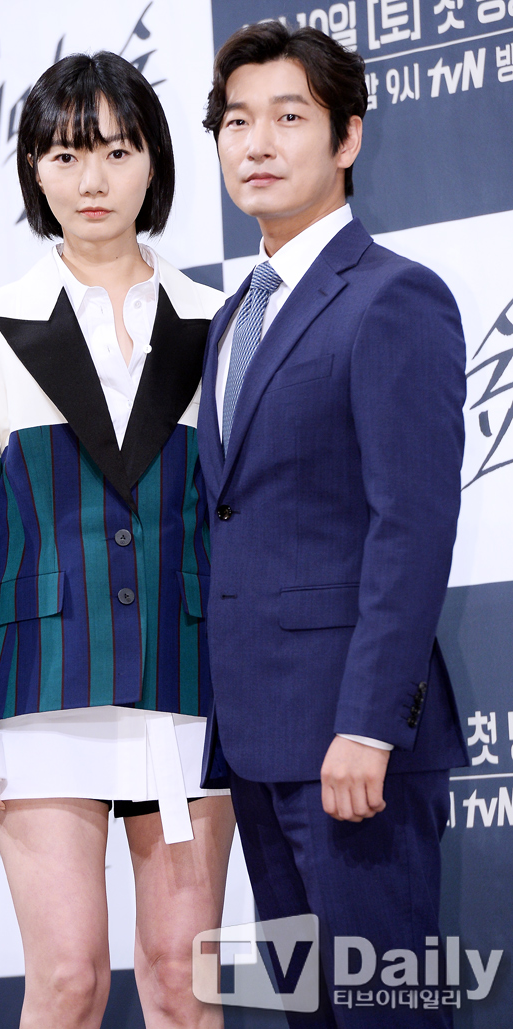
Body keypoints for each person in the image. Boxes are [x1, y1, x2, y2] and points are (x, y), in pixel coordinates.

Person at [0, 51, 235, 1029]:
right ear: (33, 170)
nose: (93, 180)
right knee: (69, 979)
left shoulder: (220, 326)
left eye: (118, 152)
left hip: (187, 684)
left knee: (183, 982)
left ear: (154, 161)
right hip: (40, 694)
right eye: (65, 154)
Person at [197, 22, 468, 1028]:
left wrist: (367, 723)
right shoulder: (233, 317)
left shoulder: (394, 297)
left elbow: (412, 526)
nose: (256, 144)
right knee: (310, 1015)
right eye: (236, 122)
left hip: (354, 751)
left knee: (388, 1013)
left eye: (288, 117)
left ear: (347, 137)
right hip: (257, 749)